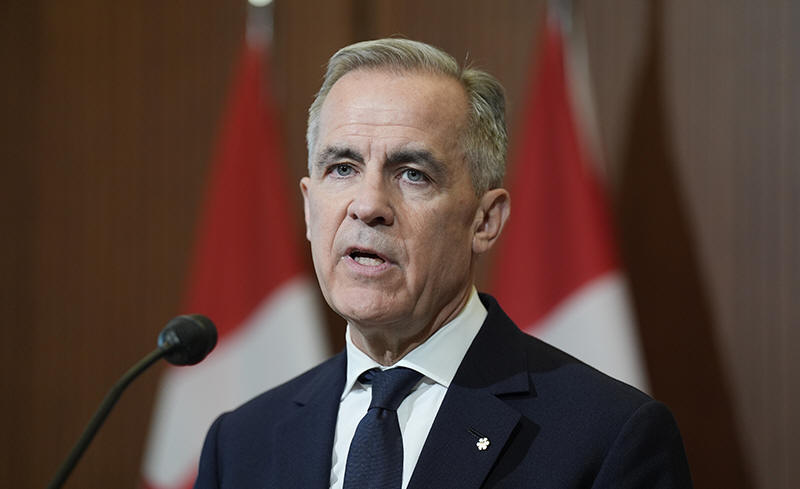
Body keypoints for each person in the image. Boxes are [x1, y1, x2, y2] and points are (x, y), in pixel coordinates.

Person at [194, 38, 693, 489]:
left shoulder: (608, 438)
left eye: (412, 174)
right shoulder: (239, 445)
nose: (368, 205)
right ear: (308, 209)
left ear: (485, 220)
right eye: (342, 168)